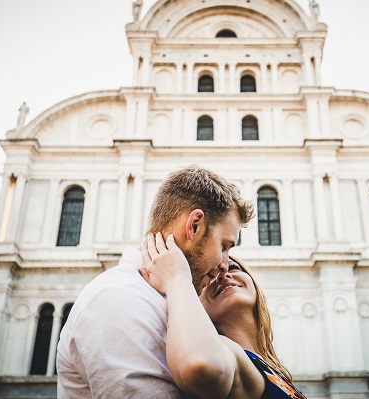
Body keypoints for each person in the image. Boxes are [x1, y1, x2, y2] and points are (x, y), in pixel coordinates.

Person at [56, 165, 255, 398]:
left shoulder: (169, 300)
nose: (225, 264)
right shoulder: (120, 299)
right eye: (224, 246)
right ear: (194, 226)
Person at [141, 232, 307, 399]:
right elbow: (200, 365)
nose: (223, 276)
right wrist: (176, 278)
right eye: (208, 278)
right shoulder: (224, 353)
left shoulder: (275, 372)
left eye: (233, 267)